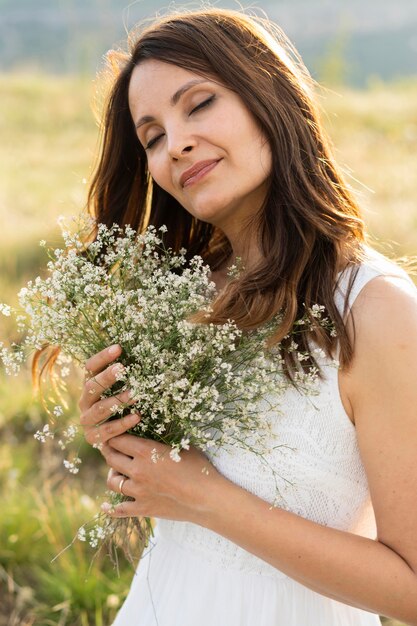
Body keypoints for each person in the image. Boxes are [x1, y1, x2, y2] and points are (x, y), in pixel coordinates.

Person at [77, 8, 417, 626]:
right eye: (151, 135)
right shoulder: (177, 298)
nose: (174, 143)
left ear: (269, 97)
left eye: (199, 104)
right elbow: (170, 488)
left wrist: (204, 498)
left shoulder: (377, 311)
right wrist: (121, 437)